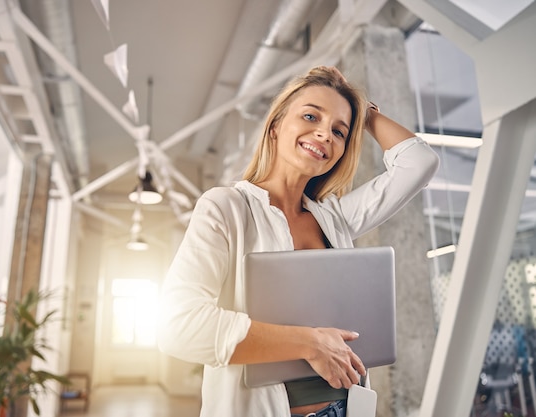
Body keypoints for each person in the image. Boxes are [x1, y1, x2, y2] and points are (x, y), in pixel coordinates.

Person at [157, 66, 440, 417]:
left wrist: (364, 112)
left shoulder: (334, 218)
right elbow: (178, 326)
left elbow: (418, 162)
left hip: (343, 408)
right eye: (311, 116)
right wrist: (311, 344)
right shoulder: (226, 208)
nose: (324, 134)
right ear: (275, 126)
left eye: (339, 131)